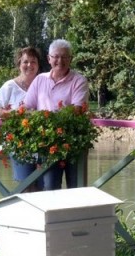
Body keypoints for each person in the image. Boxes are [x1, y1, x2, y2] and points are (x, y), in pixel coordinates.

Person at [23, 39, 89, 190]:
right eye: (56, 57)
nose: (60, 61)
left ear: (71, 59)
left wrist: (47, 117)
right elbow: (27, 106)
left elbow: (77, 110)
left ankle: (76, 214)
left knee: (76, 189)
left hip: (73, 142)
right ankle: (52, 214)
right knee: (50, 188)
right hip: (47, 143)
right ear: (49, 59)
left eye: (65, 57)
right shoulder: (40, 80)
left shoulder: (79, 81)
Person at [0, 46, 43, 189]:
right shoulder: (10, 87)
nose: (29, 65)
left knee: (46, 188)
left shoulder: (44, 84)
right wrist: (16, 114)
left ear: (38, 65)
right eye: (25, 62)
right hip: (20, 144)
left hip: (45, 144)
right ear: (19, 64)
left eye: (33, 62)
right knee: (25, 187)